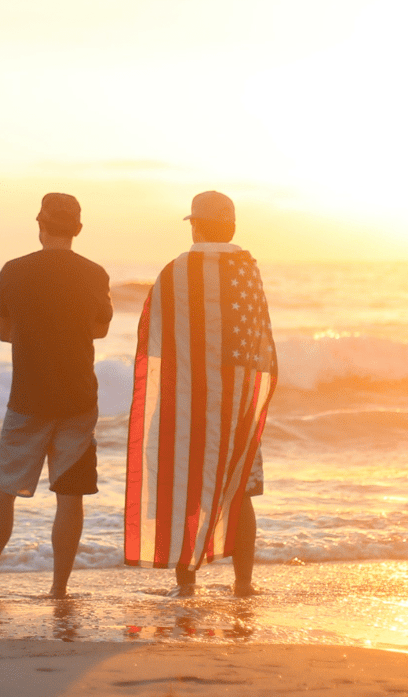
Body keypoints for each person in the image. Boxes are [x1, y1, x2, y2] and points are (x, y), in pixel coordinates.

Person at [125, 190, 277, 597]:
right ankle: (243, 583)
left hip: (185, 403)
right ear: (231, 226)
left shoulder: (175, 271)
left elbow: (153, 338)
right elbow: (257, 342)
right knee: (241, 488)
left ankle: (187, 584)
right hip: (237, 404)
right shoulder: (247, 270)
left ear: (196, 224)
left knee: (186, 487)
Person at [0, 193, 112, 600]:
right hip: (78, 396)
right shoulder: (94, 273)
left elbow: (3, 332)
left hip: (29, 394)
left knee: (4, 490)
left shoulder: (14, 270)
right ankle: (58, 588)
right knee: (70, 496)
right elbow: (100, 329)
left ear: (39, 223)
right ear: (78, 229)